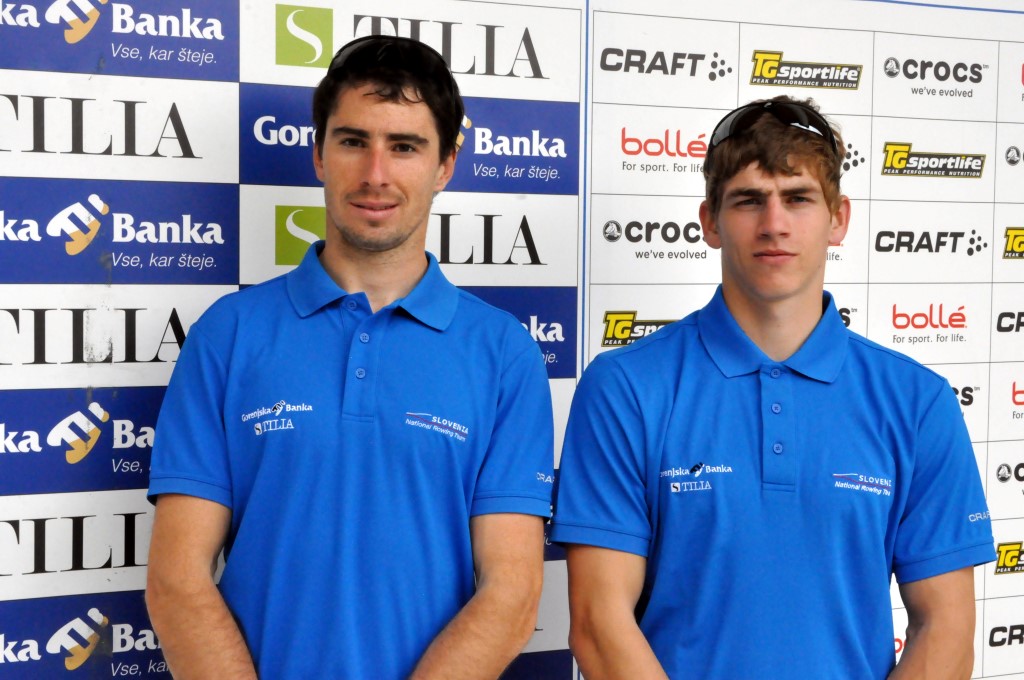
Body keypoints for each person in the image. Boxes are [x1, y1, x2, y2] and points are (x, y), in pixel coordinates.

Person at [145, 35, 554, 679]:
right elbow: (177, 580)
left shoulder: (503, 353)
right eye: (353, 140)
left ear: (446, 165)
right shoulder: (228, 334)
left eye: (405, 146)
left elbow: (512, 594)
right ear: (318, 154)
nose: (375, 174)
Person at [550, 96, 995, 679]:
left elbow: (946, 629)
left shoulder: (918, 402)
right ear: (710, 222)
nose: (774, 224)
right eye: (748, 200)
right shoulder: (625, 388)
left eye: (798, 198)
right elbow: (598, 621)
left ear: (839, 219)